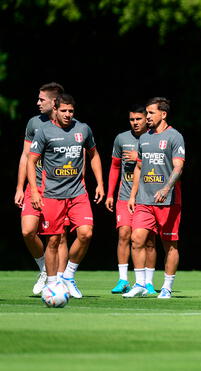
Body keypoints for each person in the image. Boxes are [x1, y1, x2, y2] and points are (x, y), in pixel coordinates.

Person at [27, 93, 104, 299]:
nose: (68, 115)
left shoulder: (83, 129)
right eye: (64, 111)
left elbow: (94, 155)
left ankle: (68, 276)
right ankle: (52, 284)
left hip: (78, 193)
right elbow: (30, 161)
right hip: (52, 194)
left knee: (86, 233)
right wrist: (34, 190)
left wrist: (100, 184)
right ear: (55, 110)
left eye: (71, 111)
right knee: (53, 241)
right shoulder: (43, 132)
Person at [124, 97, 185, 299]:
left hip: (168, 201)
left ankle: (167, 287)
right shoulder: (144, 138)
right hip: (144, 200)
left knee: (169, 245)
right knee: (136, 239)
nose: (147, 117)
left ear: (163, 114)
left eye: (151, 113)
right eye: (147, 113)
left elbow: (178, 166)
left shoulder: (175, 137)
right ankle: (140, 283)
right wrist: (133, 196)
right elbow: (139, 167)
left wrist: (167, 188)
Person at [15, 82, 72, 295]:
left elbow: (80, 155)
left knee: (60, 236)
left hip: (59, 187)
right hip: (34, 186)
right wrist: (20, 187)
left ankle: (60, 280)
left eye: (42, 99)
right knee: (28, 230)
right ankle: (45, 270)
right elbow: (26, 156)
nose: (38, 103)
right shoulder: (33, 123)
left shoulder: (70, 124)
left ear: (54, 102)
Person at [105, 105, 157, 294]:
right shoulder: (122, 139)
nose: (135, 123)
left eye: (139, 119)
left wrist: (139, 157)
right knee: (124, 234)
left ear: (146, 119)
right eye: (132, 119)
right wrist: (110, 193)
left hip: (147, 197)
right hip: (125, 196)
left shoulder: (155, 137)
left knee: (148, 240)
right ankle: (123, 280)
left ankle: (148, 283)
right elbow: (114, 167)